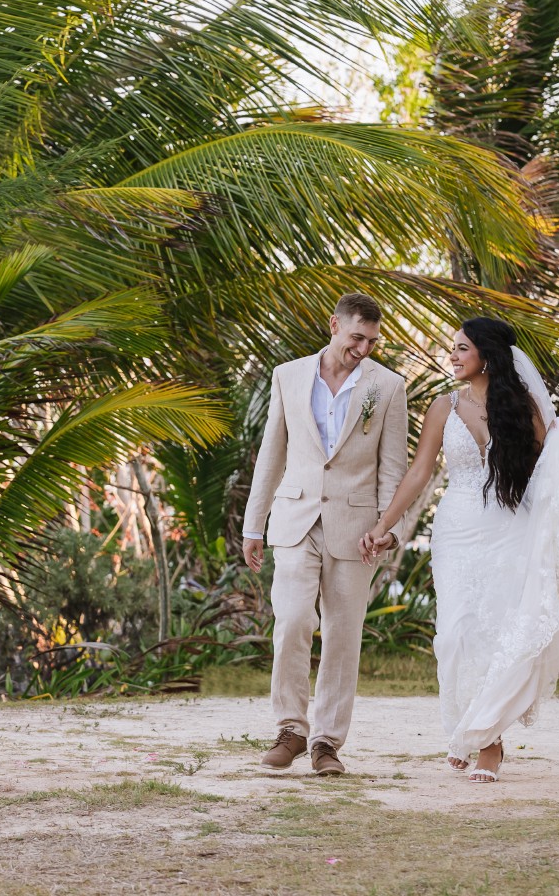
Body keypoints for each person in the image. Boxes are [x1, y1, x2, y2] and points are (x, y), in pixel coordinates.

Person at [360, 317, 559, 783]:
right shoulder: (442, 408)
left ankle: (488, 742)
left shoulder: (522, 407)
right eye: (453, 348)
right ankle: (472, 727)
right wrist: (384, 525)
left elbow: (551, 473)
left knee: (503, 633)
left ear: (486, 356)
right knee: (455, 635)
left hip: (512, 529)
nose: (452, 356)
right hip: (458, 531)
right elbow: (419, 472)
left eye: (461, 348)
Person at [242, 293, 410, 775]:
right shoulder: (288, 376)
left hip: (357, 529)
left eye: (373, 341)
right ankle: (290, 730)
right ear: (334, 325)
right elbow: (271, 455)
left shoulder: (389, 387)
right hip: (295, 520)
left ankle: (326, 744)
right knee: (293, 620)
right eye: (357, 337)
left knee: (343, 635)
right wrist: (255, 525)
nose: (365, 348)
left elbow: (392, 468)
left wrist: (387, 529)